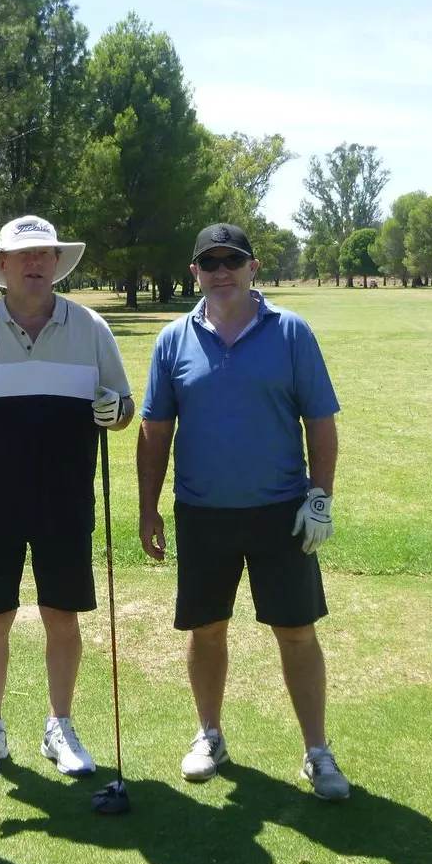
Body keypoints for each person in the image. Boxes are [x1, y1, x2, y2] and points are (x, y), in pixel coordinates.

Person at [136, 223, 351, 801]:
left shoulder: (290, 332)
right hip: (202, 512)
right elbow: (155, 431)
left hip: (280, 510)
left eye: (233, 260)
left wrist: (320, 496)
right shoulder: (173, 340)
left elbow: (320, 423)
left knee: (297, 632)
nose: (222, 270)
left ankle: (316, 751)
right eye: (211, 262)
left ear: (253, 267)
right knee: (205, 630)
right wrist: (148, 509)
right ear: (195, 272)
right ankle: (210, 734)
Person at [0, 215, 133, 783]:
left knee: (62, 617)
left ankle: (59, 725)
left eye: (46, 254)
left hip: (65, 502)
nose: (37, 263)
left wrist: (116, 413)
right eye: (25, 255)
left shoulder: (90, 328)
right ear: (4, 266)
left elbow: (122, 405)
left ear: (56, 263)